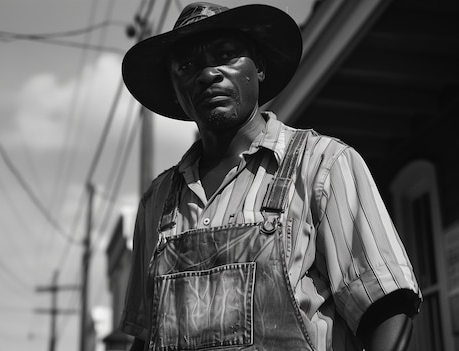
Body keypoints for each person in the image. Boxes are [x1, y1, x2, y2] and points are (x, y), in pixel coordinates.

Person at [119, 2, 421, 351]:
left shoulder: (322, 164)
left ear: (258, 67)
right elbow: (145, 336)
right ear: (174, 90)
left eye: (226, 55)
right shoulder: (157, 201)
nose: (207, 74)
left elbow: (385, 307)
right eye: (187, 66)